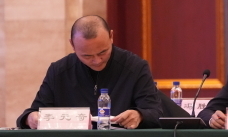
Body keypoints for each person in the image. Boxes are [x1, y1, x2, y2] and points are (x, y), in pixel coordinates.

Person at [17, 15, 162, 129]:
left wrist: (139, 115)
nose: (97, 60)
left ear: (111, 37)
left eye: (103, 52)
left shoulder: (135, 67)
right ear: (72, 44)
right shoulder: (59, 71)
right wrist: (30, 118)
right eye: (87, 56)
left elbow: (156, 113)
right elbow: (34, 112)